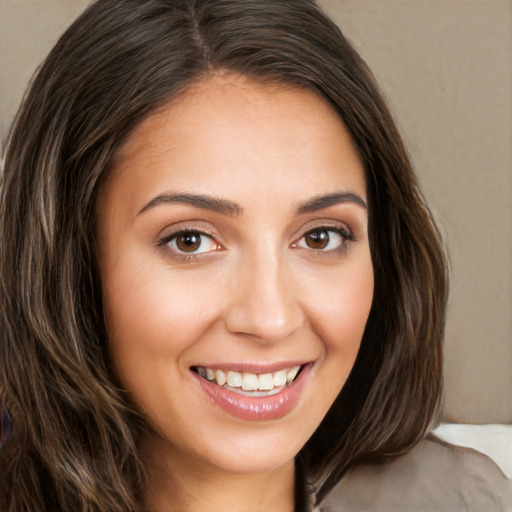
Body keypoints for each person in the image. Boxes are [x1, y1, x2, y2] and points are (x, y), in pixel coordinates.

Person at [1, 1, 504, 511]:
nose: (271, 319)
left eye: (320, 237)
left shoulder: (462, 498)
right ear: (70, 265)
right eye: (190, 240)